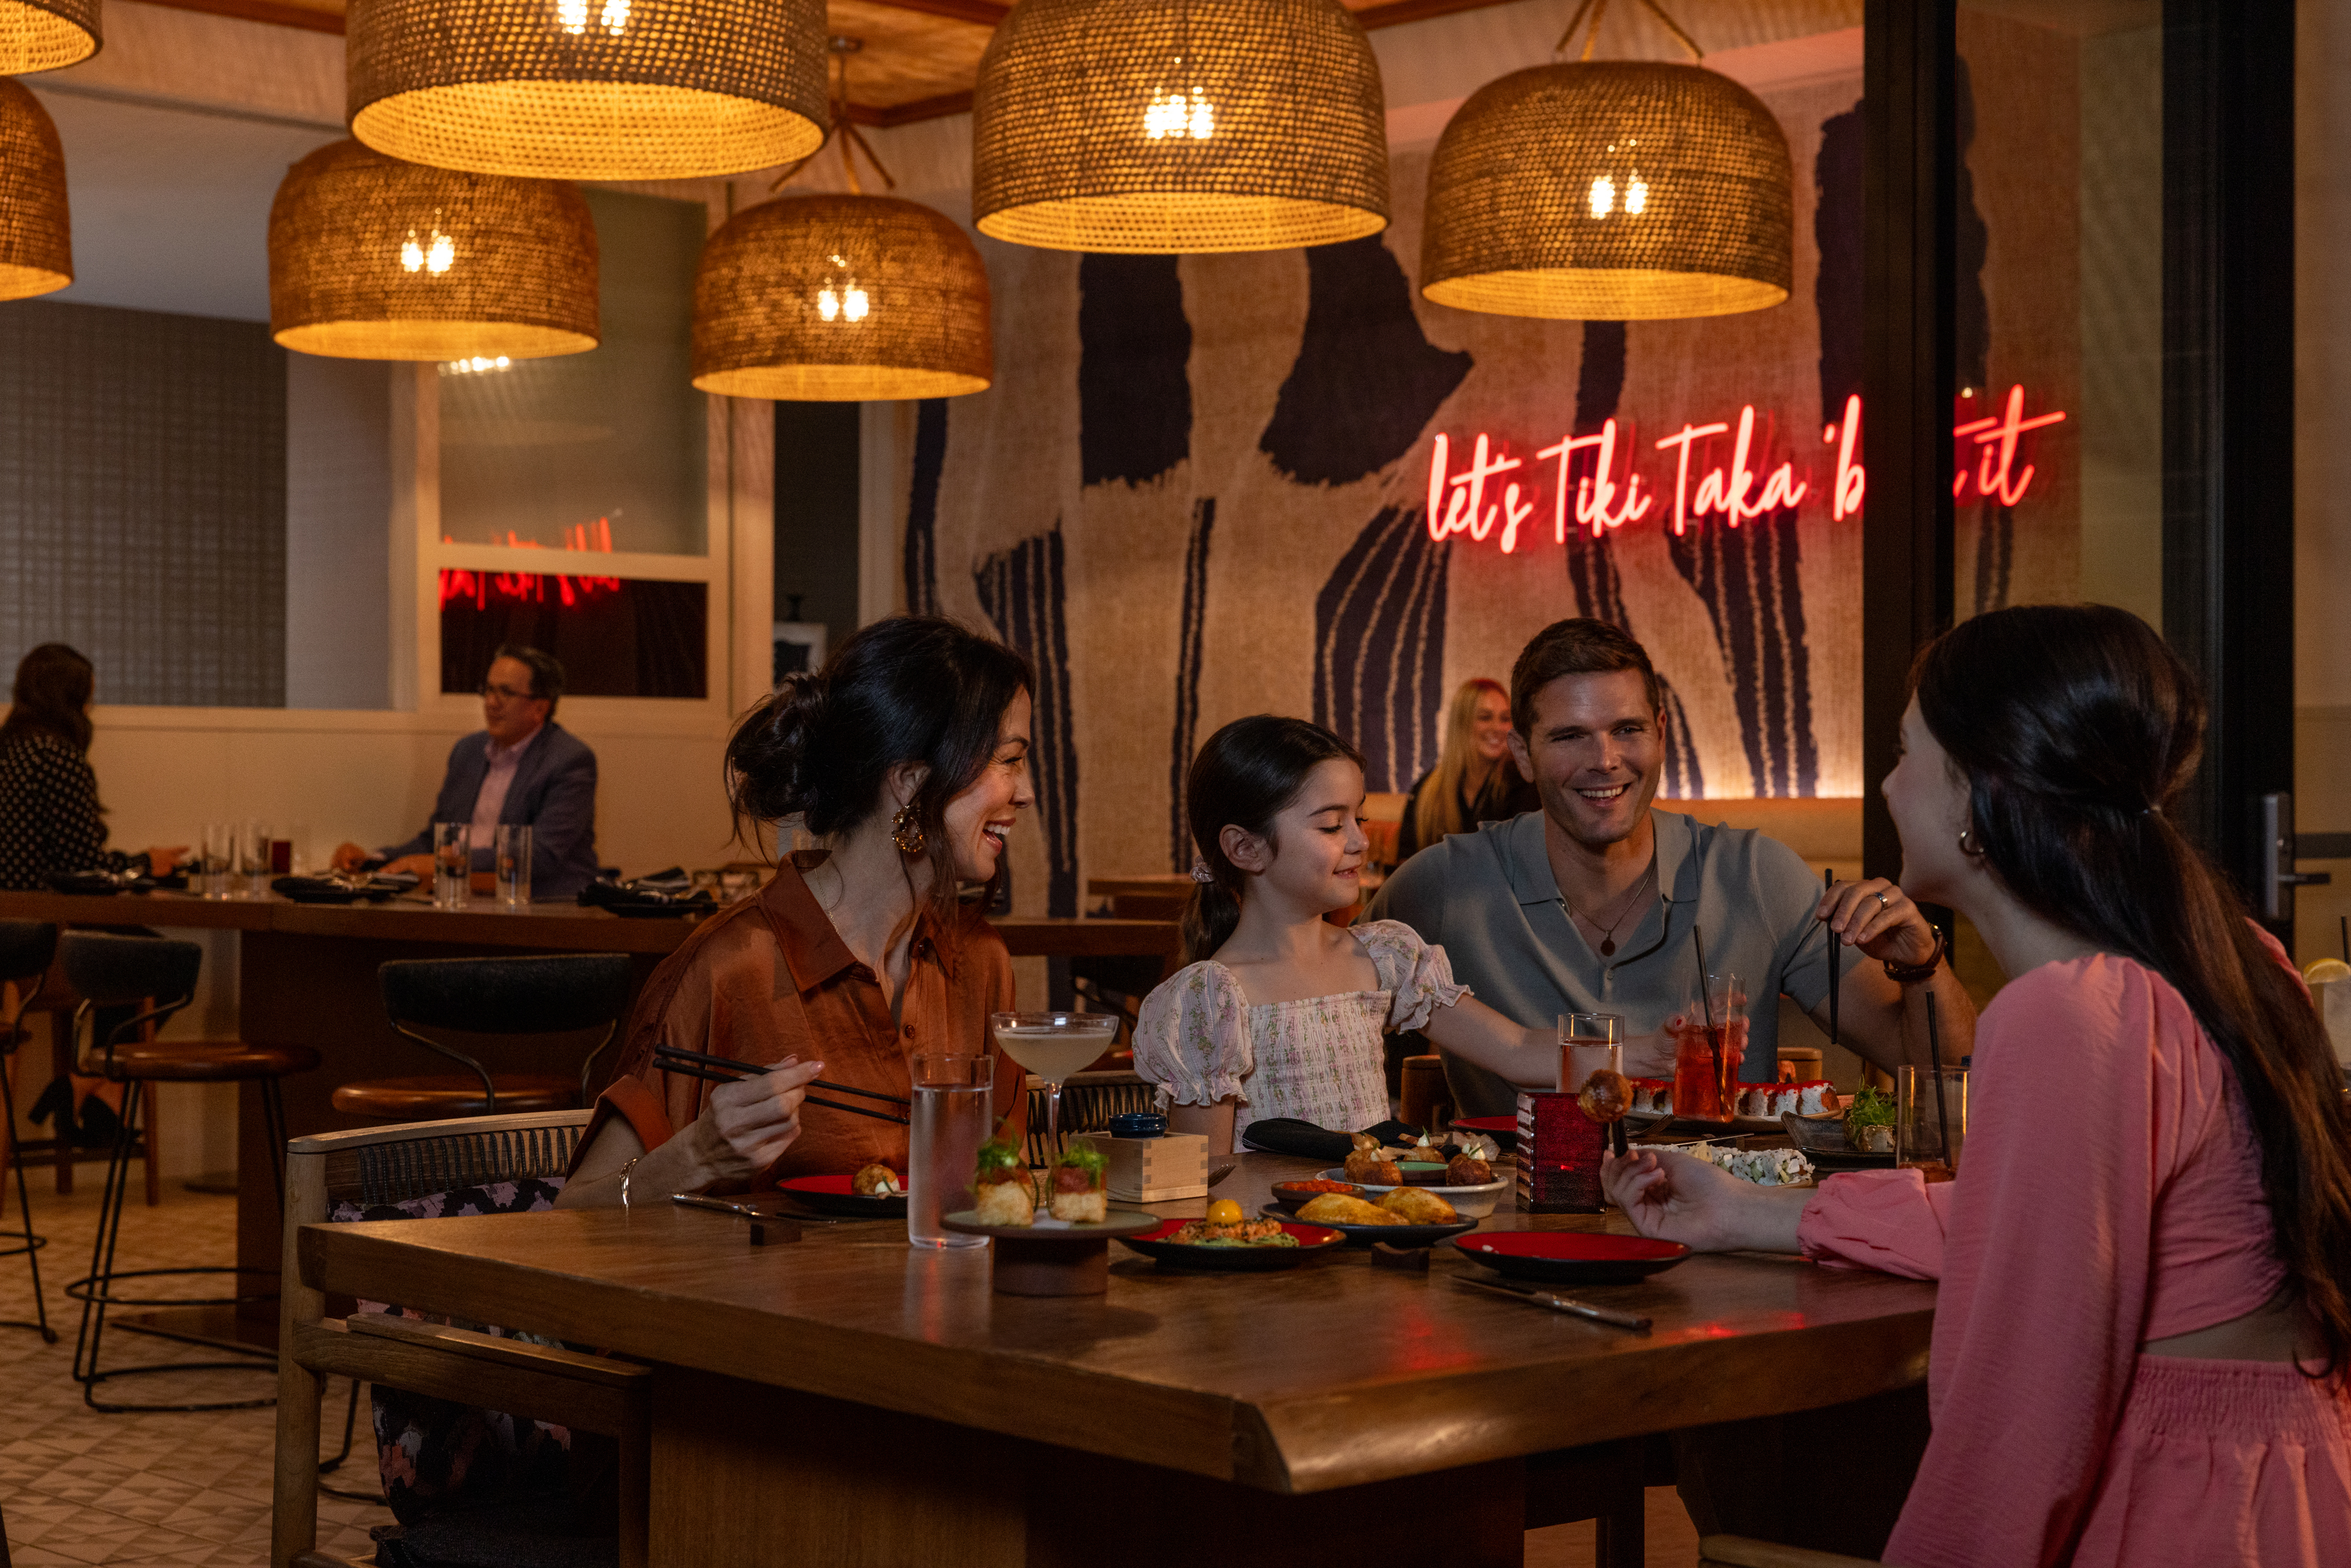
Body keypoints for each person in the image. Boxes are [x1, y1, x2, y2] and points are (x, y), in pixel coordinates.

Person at [1603, 604, 2351, 1568]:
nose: (1882, 783)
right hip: (2289, 1488)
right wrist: (1751, 1212)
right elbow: (2046, 1226)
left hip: (2171, 1511)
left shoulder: (2066, 1015)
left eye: (1902, 751)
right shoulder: (2234, 959)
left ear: (1976, 790)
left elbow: (2021, 1418)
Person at [1365, 618, 1974, 1116]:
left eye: (1627, 729)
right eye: (1570, 736)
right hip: (1510, 1235)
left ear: (1660, 734)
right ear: (1523, 754)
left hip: (1722, 1229)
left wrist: (1922, 965)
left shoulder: (1756, 874)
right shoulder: (1442, 884)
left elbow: (1939, 1067)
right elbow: (1311, 985)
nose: (1604, 760)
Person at [557, 616, 1034, 1207]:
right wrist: (697, 1156)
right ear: (911, 782)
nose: (1026, 791)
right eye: (1009, 760)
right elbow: (576, 1211)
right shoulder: (731, 969)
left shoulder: (982, 963)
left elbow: (1001, 1189)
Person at [1131, 715, 1554, 1154]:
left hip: (1382, 1221)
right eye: (1332, 825)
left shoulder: (1383, 956)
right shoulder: (1209, 998)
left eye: (1360, 817)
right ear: (1245, 848)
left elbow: (1517, 1049)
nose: (1360, 840)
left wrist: (1626, 1055)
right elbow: (1205, 1179)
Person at [333, 644, 600, 899]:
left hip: (546, 907)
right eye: (488, 690)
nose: (491, 703)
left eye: (505, 693)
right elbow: (436, 840)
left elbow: (541, 856)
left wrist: (445, 860)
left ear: (540, 707)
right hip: (465, 898)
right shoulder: (468, 751)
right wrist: (373, 860)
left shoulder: (569, 760)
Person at [0, 643, 185, 890]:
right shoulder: (55, 756)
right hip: (44, 915)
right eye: (87, 701)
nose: (88, 711)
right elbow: (85, 869)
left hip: (13, 913)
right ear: (69, 702)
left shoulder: (10, 747)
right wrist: (146, 862)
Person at [1393, 677, 1539, 862]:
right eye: (1485, 718)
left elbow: (1524, 862)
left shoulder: (1523, 783)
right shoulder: (1426, 790)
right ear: (1460, 724)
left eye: (1505, 719)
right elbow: (1407, 865)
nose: (1498, 728)